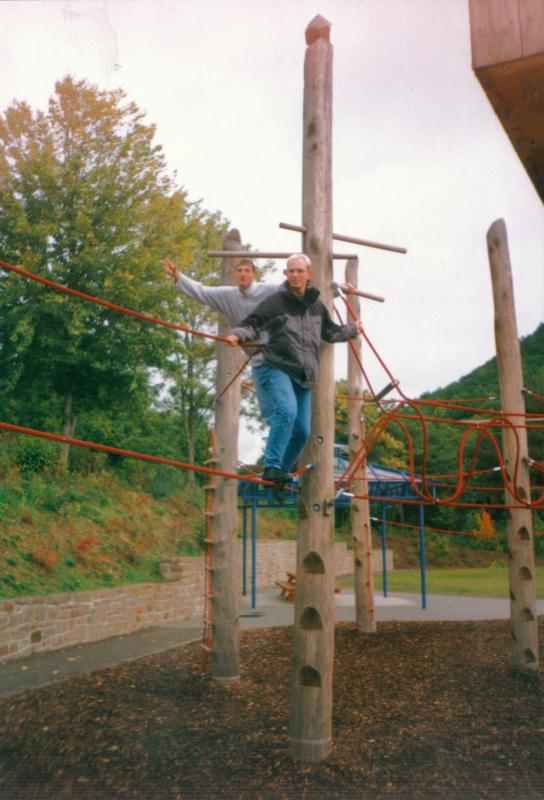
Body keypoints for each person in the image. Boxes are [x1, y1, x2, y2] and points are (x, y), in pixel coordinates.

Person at [227, 253, 363, 485]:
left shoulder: (316, 306)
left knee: (301, 431)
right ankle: (272, 466)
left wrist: (353, 329)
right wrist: (237, 335)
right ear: (286, 274)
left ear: (309, 274)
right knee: (286, 412)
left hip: (304, 375)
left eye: (300, 271)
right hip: (278, 366)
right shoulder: (276, 302)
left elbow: (330, 332)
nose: (295, 275)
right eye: (291, 271)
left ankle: (280, 473)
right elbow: (253, 322)